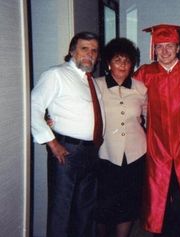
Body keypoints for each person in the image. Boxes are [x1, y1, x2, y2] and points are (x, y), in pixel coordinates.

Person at [133, 24, 180, 237]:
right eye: (159, 46)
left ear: (179, 47)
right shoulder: (146, 72)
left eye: (170, 46)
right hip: (157, 142)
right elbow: (122, 94)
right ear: (153, 49)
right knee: (159, 193)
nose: (164, 51)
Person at [31, 32, 102, 237]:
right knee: (62, 211)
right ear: (72, 51)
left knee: (85, 211)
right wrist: (52, 143)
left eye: (94, 50)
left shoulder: (91, 81)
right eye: (84, 48)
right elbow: (33, 107)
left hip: (90, 153)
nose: (89, 54)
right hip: (67, 152)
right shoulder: (56, 74)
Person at [94, 38, 147, 237]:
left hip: (135, 154)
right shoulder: (96, 86)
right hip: (106, 154)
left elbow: (151, 117)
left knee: (128, 203)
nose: (123, 64)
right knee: (103, 205)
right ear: (108, 63)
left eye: (127, 60)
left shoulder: (141, 88)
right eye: (118, 60)